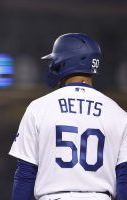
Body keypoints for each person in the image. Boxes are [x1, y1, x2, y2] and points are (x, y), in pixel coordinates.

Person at [9, 33, 127, 200]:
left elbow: (25, 174)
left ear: (66, 62)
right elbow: (124, 178)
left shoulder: (39, 108)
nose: (53, 66)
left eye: (55, 61)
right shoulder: (119, 114)